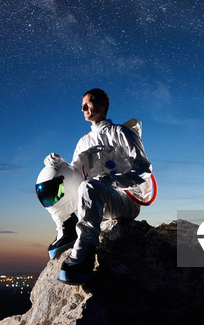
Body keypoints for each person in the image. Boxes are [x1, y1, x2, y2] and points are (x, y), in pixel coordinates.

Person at [38, 88, 154, 284]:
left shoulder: (122, 133)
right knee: (48, 179)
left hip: (125, 200)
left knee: (90, 187)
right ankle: (66, 229)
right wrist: (57, 165)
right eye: (82, 104)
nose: (83, 107)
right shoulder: (83, 141)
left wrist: (113, 180)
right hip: (96, 198)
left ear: (103, 105)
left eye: (89, 103)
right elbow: (74, 176)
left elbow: (144, 169)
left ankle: (85, 253)